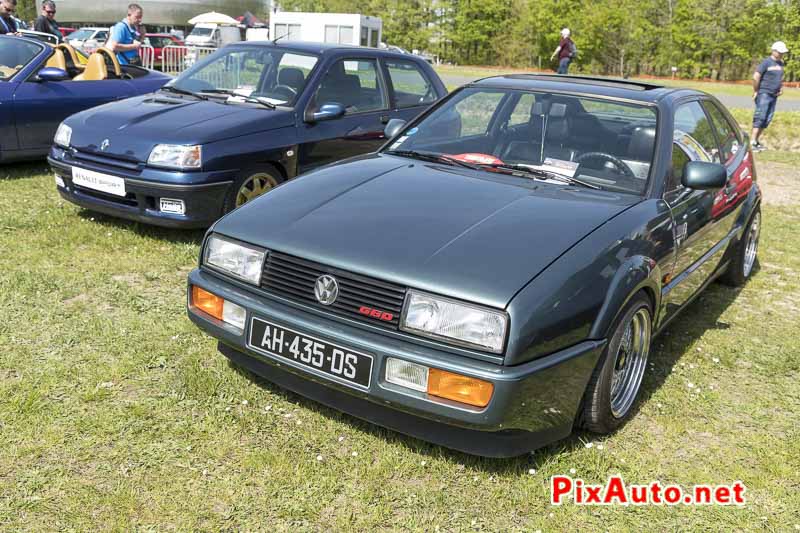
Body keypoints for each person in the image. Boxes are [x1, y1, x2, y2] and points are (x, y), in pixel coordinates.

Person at [751, 41, 788, 152]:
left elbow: (780, 77)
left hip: (774, 95)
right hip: (764, 94)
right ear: (774, 51)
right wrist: (756, 91)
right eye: (780, 52)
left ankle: (757, 141)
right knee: (760, 117)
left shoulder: (781, 63)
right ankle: (752, 142)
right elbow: (756, 77)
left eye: (783, 52)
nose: (782, 54)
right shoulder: (766, 62)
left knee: (767, 119)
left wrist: (780, 87)